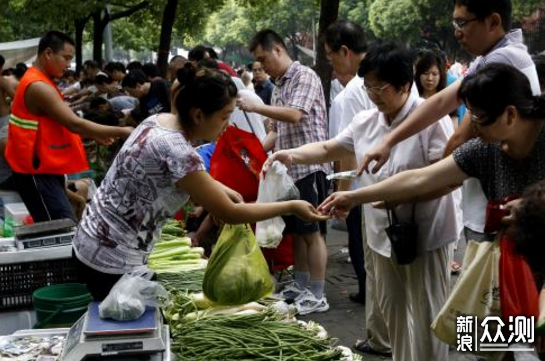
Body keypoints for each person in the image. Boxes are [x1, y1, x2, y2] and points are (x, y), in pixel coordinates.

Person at [320, 63, 545, 359]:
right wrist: (355, 196)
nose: (471, 125)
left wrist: (533, 207)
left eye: (477, 117)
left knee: (533, 344)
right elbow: (421, 177)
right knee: (494, 346)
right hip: (511, 269)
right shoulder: (485, 149)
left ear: (510, 114)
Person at [72, 65, 328, 301]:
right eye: (224, 117)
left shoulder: (157, 122)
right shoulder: (178, 152)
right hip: (110, 260)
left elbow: (190, 180)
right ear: (197, 114)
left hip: (90, 239)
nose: (227, 126)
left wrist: (223, 189)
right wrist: (291, 206)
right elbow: (230, 213)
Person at [276, 42, 460, 361]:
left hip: (426, 232)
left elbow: (445, 178)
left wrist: (397, 197)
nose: (373, 94)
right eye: (369, 86)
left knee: (429, 312)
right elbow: (327, 149)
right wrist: (288, 155)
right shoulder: (367, 120)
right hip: (380, 234)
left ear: (404, 85)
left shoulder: (431, 120)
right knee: (395, 313)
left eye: (380, 87)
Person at [360, 0, 540, 250]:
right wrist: (390, 141)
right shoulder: (492, 57)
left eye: (462, 22)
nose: (457, 31)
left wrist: (442, 179)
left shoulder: (502, 59)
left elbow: (456, 141)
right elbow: (442, 102)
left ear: (493, 22)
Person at [237, 29, 331, 315]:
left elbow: (294, 114)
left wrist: (257, 106)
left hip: (311, 168)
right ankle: (301, 286)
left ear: (278, 49)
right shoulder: (279, 86)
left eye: (263, 59)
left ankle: (317, 293)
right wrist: (253, 157)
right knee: (298, 234)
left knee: (313, 233)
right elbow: (276, 133)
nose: (261, 66)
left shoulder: (305, 76)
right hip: (290, 172)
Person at [5, 31, 132, 223]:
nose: (68, 64)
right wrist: (122, 131)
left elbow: (57, 123)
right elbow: (74, 123)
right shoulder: (38, 86)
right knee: (60, 228)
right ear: (48, 53)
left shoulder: (41, 80)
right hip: (34, 171)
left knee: (63, 224)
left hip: (42, 167)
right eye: (66, 58)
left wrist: (93, 134)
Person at [324, 20, 392, 356]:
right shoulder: (367, 94)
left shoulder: (351, 94)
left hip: (373, 196)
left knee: (375, 267)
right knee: (381, 270)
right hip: (384, 196)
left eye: (330, 56)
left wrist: (346, 194)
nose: (375, 98)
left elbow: (342, 153)